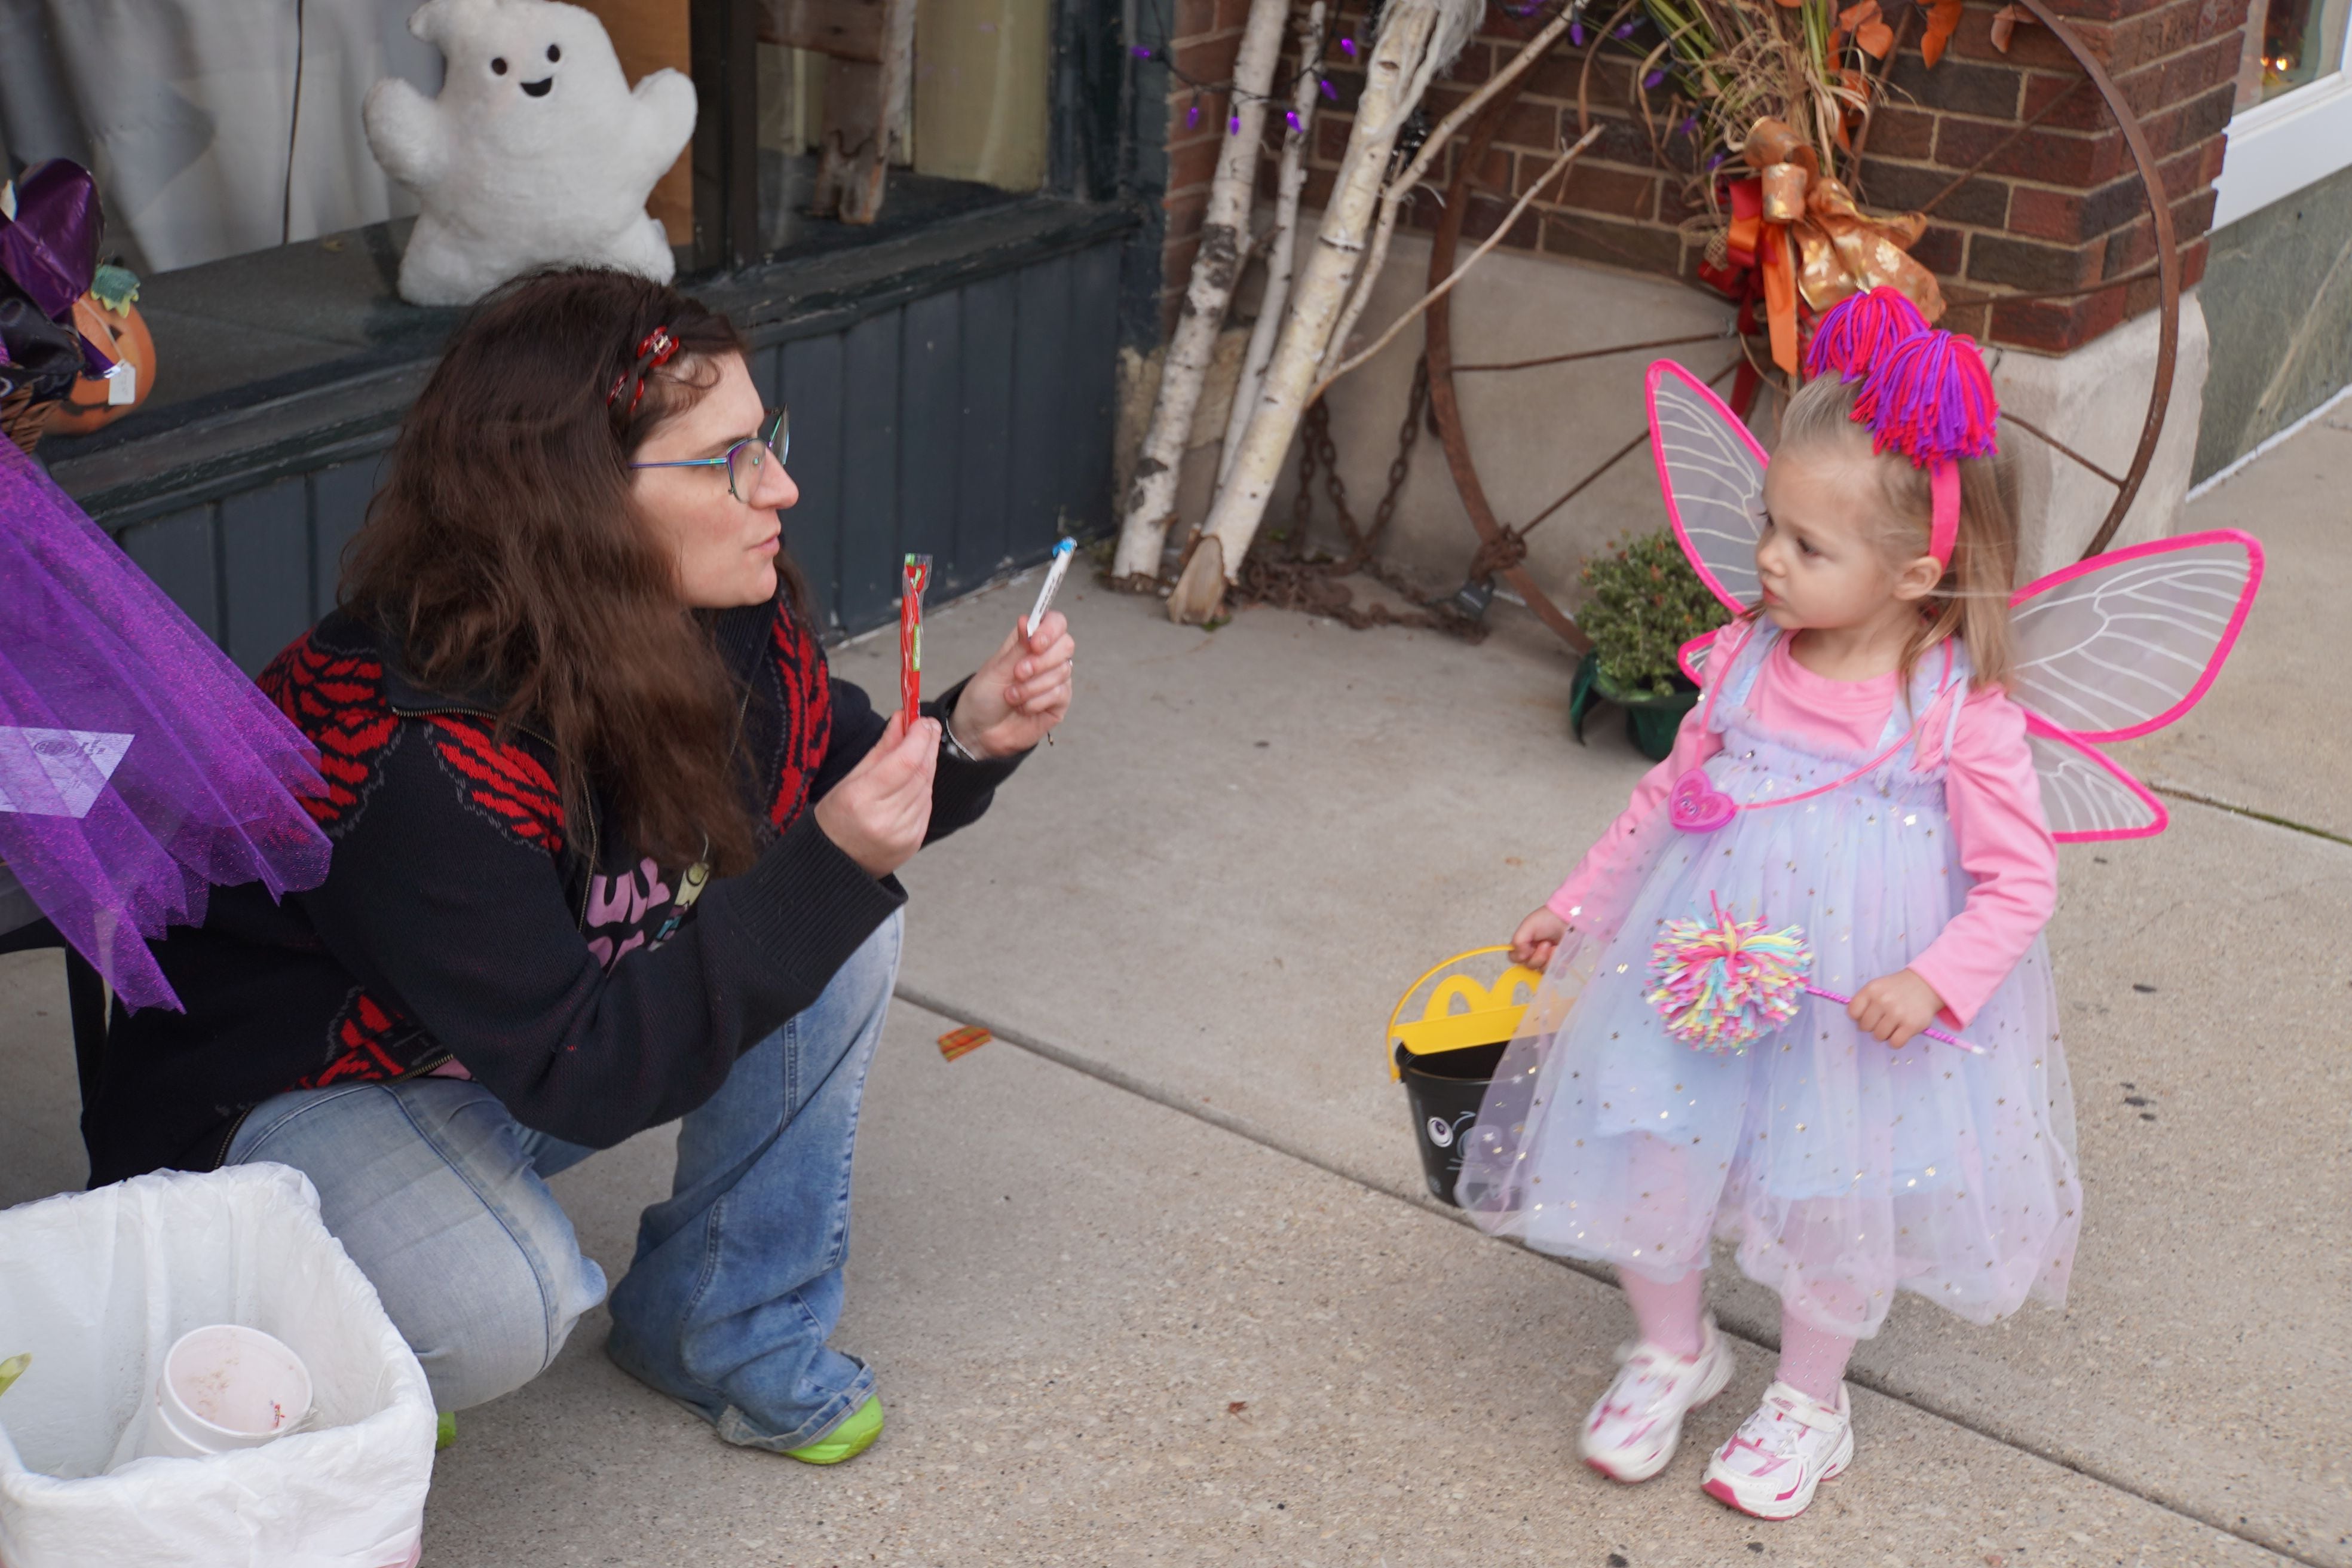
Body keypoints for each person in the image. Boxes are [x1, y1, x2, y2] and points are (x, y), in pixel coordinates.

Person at [83, 267, 1076, 1465]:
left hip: (493, 1051)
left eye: (768, 439)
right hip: (291, 1097)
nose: (781, 486)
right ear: (578, 496)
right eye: (728, 461)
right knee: (504, 1307)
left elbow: (840, 779)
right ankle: (333, 1345)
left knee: (843, 920)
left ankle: (720, 1324)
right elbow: (584, 1072)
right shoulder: (415, 745)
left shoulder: (716, 618)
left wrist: (969, 733)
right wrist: (828, 865)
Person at [1462, 293, 2075, 1520]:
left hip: (1852, 1007)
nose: (1770, 561)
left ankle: (1809, 1400)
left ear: (1916, 573)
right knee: (1651, 1143)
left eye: (1809, 546)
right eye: (1770, 527)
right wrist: (1579, 905)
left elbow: (2023, 880)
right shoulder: (1747, 660)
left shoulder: (1954, 709)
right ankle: (1673, 1349)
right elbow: (1667, 797)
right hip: (1698, 966)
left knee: (1825, 1190)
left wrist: (1938, 977)